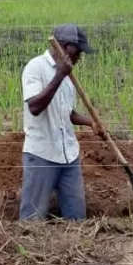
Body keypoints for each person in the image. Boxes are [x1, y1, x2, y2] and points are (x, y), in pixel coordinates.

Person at [20, 24, 104, 221]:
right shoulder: (36, 68)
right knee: (32, 220)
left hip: (69, 156)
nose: (80, 58)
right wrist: (59, 75)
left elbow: (66, 112)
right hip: (42, 155)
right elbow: (35, 107)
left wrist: (90, 122)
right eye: (78, 52)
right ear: (67, 47)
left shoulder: (68, 76)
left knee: (77, 219)